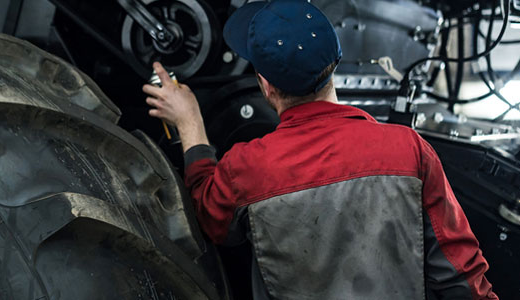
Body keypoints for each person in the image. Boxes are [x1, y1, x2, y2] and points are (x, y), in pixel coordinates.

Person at [142, 0, 498, 299]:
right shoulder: (410, 149)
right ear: (334, 65)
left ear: (265, 86)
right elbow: (462, 277)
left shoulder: (249, 168)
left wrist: (189, 122)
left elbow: (208, 216)